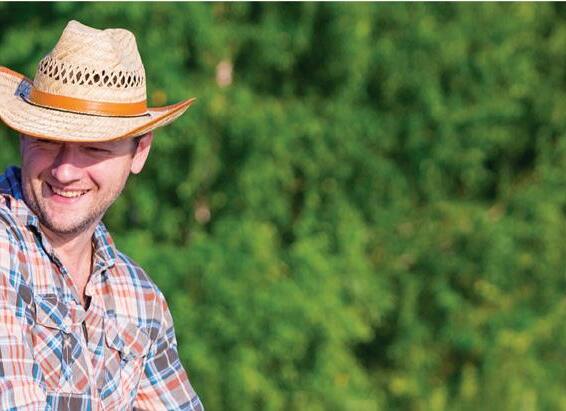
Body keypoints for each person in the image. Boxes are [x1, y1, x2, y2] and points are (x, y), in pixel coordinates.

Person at [0, 20, 203, 410]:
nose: (65, 171)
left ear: (139, 152)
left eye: (94, 147)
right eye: (47, 140)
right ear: (23, 136)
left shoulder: (139, 300)